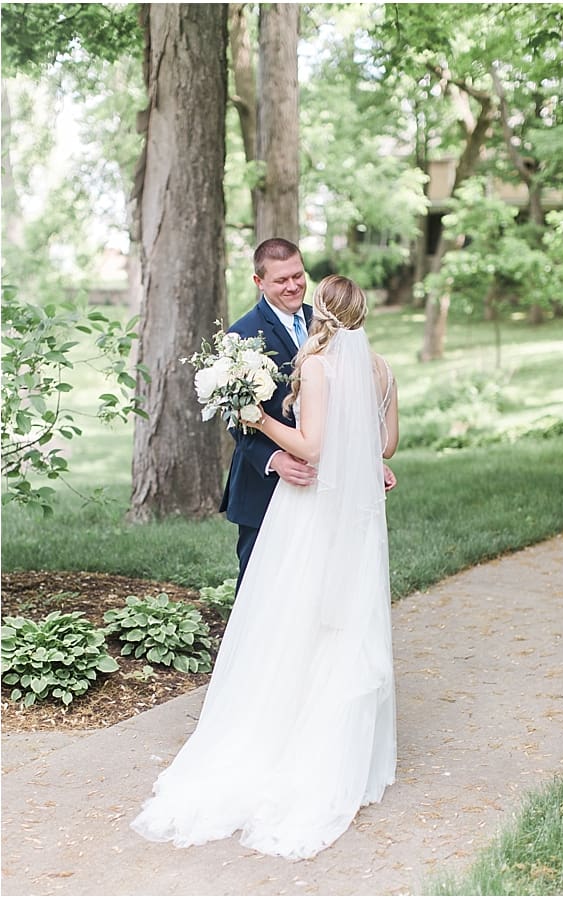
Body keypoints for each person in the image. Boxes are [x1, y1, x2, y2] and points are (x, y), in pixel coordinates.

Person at [131, 275, 400, 859]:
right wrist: (364, 462)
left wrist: (256, 418)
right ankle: (342, 746)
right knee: (344, 619)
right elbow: (386, 445)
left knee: (292, 617)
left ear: (323, 311)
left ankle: (284, 736)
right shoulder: (382, 370)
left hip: (309, 512)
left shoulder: (322, 367)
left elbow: (311, 446)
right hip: (356, 516)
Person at [220, 238, 394, 591]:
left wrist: (362, 458)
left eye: (298, 275)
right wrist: (273, 460)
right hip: (266, 483)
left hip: (328, 486)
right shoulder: (241, 335)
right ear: (259, 282)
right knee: (260, 583)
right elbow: (236, 416)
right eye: (281, 280)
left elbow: (348, 402)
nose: (293, 285)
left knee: (316, 586)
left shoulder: (331, 322)